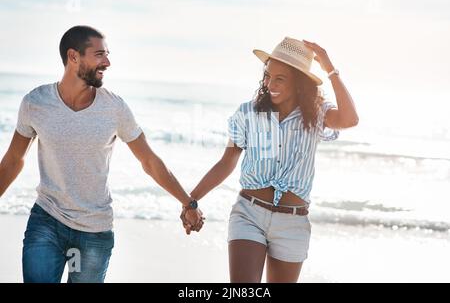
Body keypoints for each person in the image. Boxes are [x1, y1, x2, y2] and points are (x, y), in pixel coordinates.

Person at [0, 25, 203, 283]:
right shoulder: (36, 103)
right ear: (73, 57)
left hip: (94, 232)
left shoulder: (114, 108)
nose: (107, 62)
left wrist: (189, 202)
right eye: (99, 55)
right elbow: (14, 160)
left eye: (107, 54)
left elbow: (149, 161)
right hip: (46, 221)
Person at [181, 37, 358, 282]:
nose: (270, 84)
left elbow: (350, 120)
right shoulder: (247, 113)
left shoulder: (316, 113)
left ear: (298, 82)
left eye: (280, 78)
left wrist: (330, 67)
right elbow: (227, 161)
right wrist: (191, 201)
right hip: (249, 214)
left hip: (293, 223)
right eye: (267, 76)